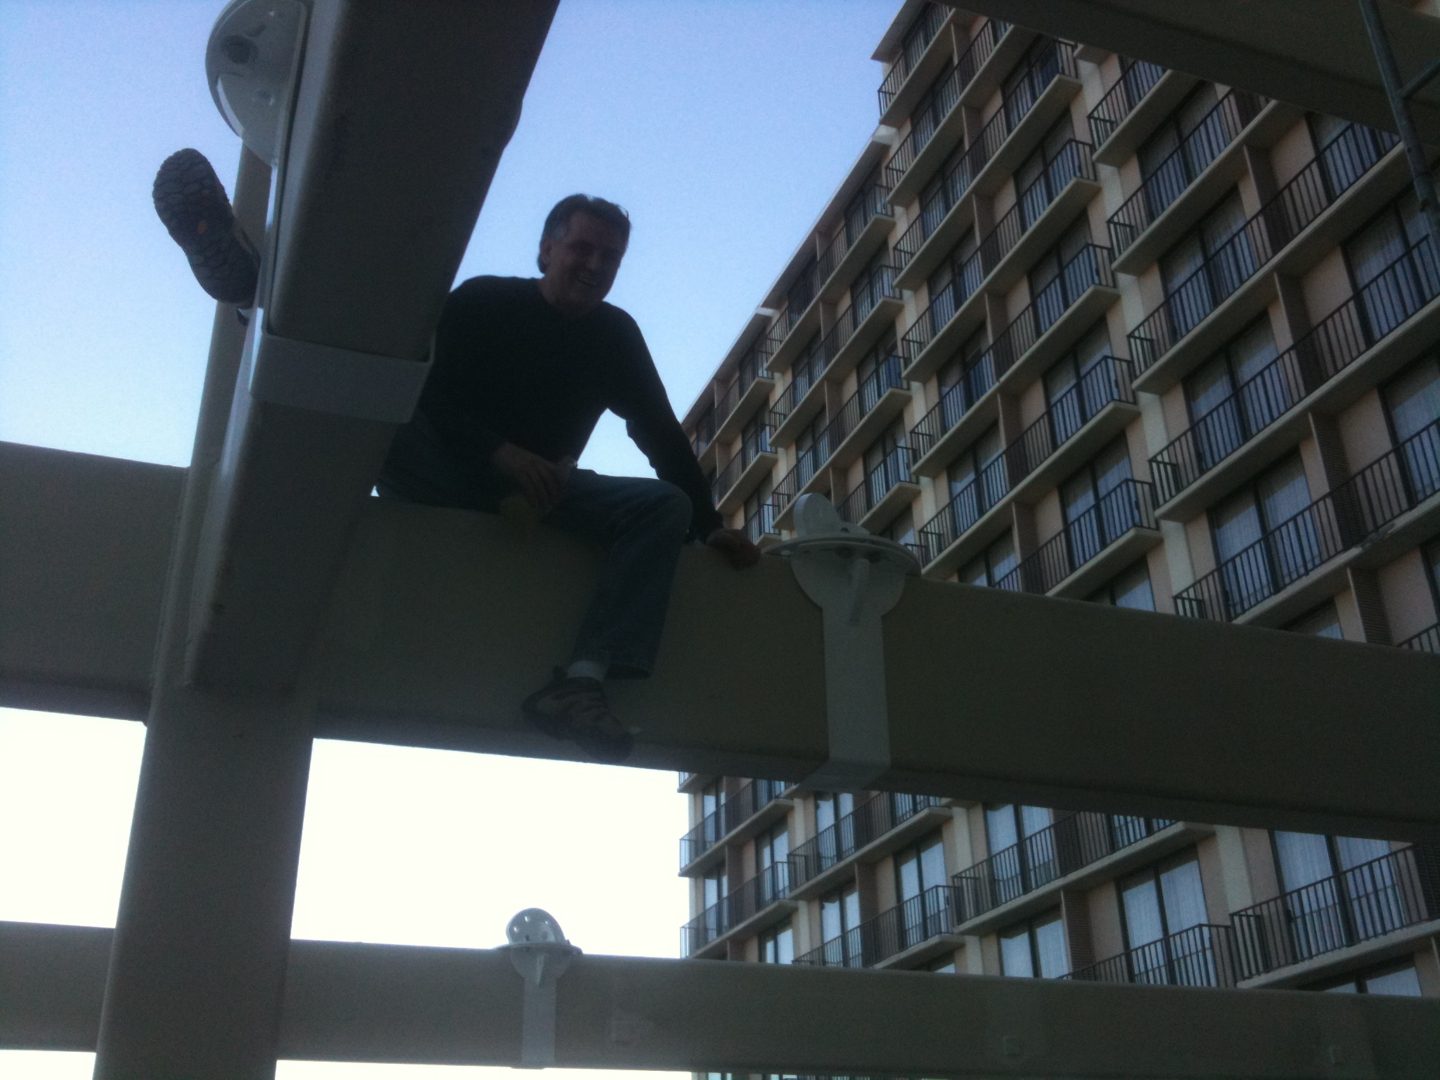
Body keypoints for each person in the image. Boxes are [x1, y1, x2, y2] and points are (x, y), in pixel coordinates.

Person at [376, 195, 761, 762]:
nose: (595, 265)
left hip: (537, 496)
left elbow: (659, 434)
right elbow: (422, 390)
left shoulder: (614, 336)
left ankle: (581, 682)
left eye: (611, 256)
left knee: (662, 506)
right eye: (582, 248)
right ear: (547, 249)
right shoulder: (484, 301)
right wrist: (497, 451)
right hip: (440, 470)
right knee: (384, 411)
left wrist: (708, 525)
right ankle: (255, 294)